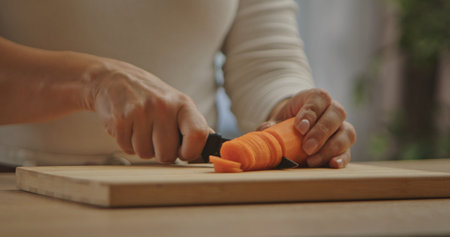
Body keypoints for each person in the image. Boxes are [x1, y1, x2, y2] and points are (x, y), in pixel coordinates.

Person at [0, 0, 355, 169]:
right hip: (15, 190)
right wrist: (92, 82)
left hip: (187, 189)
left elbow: (266, 62)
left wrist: (292, 115)